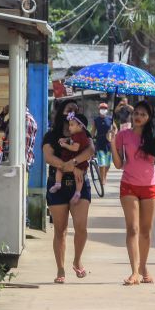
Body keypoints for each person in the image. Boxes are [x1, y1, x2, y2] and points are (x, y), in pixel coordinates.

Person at [111, 100, 155, 286]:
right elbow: (119, 165)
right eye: (136, 113)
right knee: (132, 229)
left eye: (143, 114)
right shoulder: (123, 135)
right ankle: (134, 272)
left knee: (145, 231)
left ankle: (143, 267)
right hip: (128, 185)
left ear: (149, 118)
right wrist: (112, 143)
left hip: (149, 186)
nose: (138, 117)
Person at [42, 100, 95, 284]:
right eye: (69, 109)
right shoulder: (52, 135)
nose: (72, 112)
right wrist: (67, 167)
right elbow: (48, 156)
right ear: (61, 112)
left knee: (81, 227)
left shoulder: (83, 134)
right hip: (57, 185)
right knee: (60, 229)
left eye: (75, 110)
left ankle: (77, 260)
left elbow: (90, 151)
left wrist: (73, 163)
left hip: (80, 184)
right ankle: (60, 269)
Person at [49, 112, 90, 205]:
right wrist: (65, 139)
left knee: (78, 176)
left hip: (77, 159)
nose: (69, 127)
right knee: (59, 169)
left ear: (80, 126)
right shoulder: (76, 134)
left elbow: (75, 147)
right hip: (70, 157)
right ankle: (58, 183)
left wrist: (65, 145)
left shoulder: (81, 136)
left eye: (72, 125)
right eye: (69, 125)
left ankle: (78, 192)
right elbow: (71, 139)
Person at [92, 102, 115, 188]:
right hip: (100, 142)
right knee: (102, 163)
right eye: (102, 108)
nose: (103, 109)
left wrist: (113, 134)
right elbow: (93, 131)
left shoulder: (110, 119)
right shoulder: (96, 120)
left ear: (107, 110)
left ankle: (103, 175)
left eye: (105, 108)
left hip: (108, 143)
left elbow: (115, 129)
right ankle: (102, 180)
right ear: (99, 110)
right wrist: (90, 139)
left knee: (108, 164)